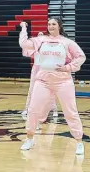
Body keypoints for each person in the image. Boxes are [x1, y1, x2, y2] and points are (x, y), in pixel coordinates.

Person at [18, 18, 86, 155]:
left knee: (70, 112)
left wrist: (68, 67)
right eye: (49, 24)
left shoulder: (67, 43)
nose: (50, 26)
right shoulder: (40, 40)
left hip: (63, 82)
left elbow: (81, 57)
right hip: (42, 81)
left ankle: (79, 142)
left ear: (59, 26)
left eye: (53, 24)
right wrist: (23, 28)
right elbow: (23, 44)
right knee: (33, 110)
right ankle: (29, 138)